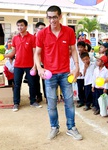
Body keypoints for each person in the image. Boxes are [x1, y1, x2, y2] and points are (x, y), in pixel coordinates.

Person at [34, 5, 82, 140]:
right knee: (51, 103)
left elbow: (73, 50)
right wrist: (39, 68)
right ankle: (54, 127)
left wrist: (77, 66)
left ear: (60, 16)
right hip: (49, 75)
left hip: (66, 73)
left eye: (54, 17)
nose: (52, 20)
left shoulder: (69, 31)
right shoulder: (42, 33)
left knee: (69, 102)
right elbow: (37, 54)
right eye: (49, 17)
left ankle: (71, 128)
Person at [4, 19, 42, 112]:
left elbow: (35, 53)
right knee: (17, 85)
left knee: (32, 84)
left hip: (30, 65)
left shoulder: (32, 38)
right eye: (18, 26)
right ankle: (16, 103)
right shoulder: (15, 38)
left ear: (26, 26)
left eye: (21, 25)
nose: (19, 27)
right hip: (18, 65)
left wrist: (35, 66)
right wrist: (6, 55)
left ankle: (33, 101)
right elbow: (14, 51)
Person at [34, 22, 46, 103]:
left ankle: (47, 97)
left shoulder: (46, 37)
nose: (43, 30)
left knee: (46, 81)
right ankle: (38, 96)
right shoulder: (32, 38)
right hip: (35, 63)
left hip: (45, 62)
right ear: (36, 29)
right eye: (41, 28)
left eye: (44, 29)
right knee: (35, 81)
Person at [76, 41, 86, 108]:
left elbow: (85, 64)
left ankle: (85, 100)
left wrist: (82, 72)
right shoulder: (76, 55)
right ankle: (81, 100)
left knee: (85, 88)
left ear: (84, 47)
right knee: (79, 88)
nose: (80, 49)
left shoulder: (86, 55)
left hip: (85, 75)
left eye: (81, 47)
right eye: (78, 47)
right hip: (78, 75)